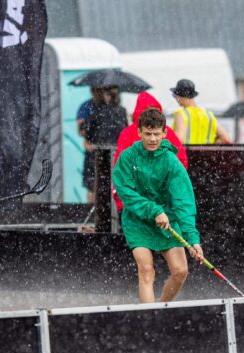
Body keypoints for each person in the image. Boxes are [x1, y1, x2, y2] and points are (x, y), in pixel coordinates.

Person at [113, 108, 205, 303]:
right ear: (139, 132)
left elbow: (183, 201)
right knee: (146, 271)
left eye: (156, 134)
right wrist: (154, 210)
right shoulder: (127, 158)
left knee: (180, 271)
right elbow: (126, 194)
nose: (153, 139)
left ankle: (162, 309)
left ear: (164, 133)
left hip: (167, 221)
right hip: (138, 221)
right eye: (148, 134)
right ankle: (150, 316)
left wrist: (193, 239)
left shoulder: (171, 161)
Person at [112, 90, 188, 211]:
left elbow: (120, 170)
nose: (152, 138)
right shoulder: (166, 131)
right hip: (163, 203)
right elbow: (181, 162)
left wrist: (123, 202)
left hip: (135, 203)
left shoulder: (127, 133)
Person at [84, 86, 128, 202]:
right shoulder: (121, 111)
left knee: (95, 186)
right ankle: (111, 208)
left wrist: (89, 140)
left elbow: (88, 132)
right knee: (115, 184)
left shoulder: (97, 111)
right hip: (115, 152)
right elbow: (125, 132)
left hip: (99, 154)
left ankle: (95, 208)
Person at [170, 79, 232, 145]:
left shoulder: (181, 114)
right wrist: (209, 146)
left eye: (174, 96)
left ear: (179, 96)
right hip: (207, 152)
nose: (175, 98)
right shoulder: (208, 115)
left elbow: (178, 140)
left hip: (187, 151)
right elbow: (226, 139)